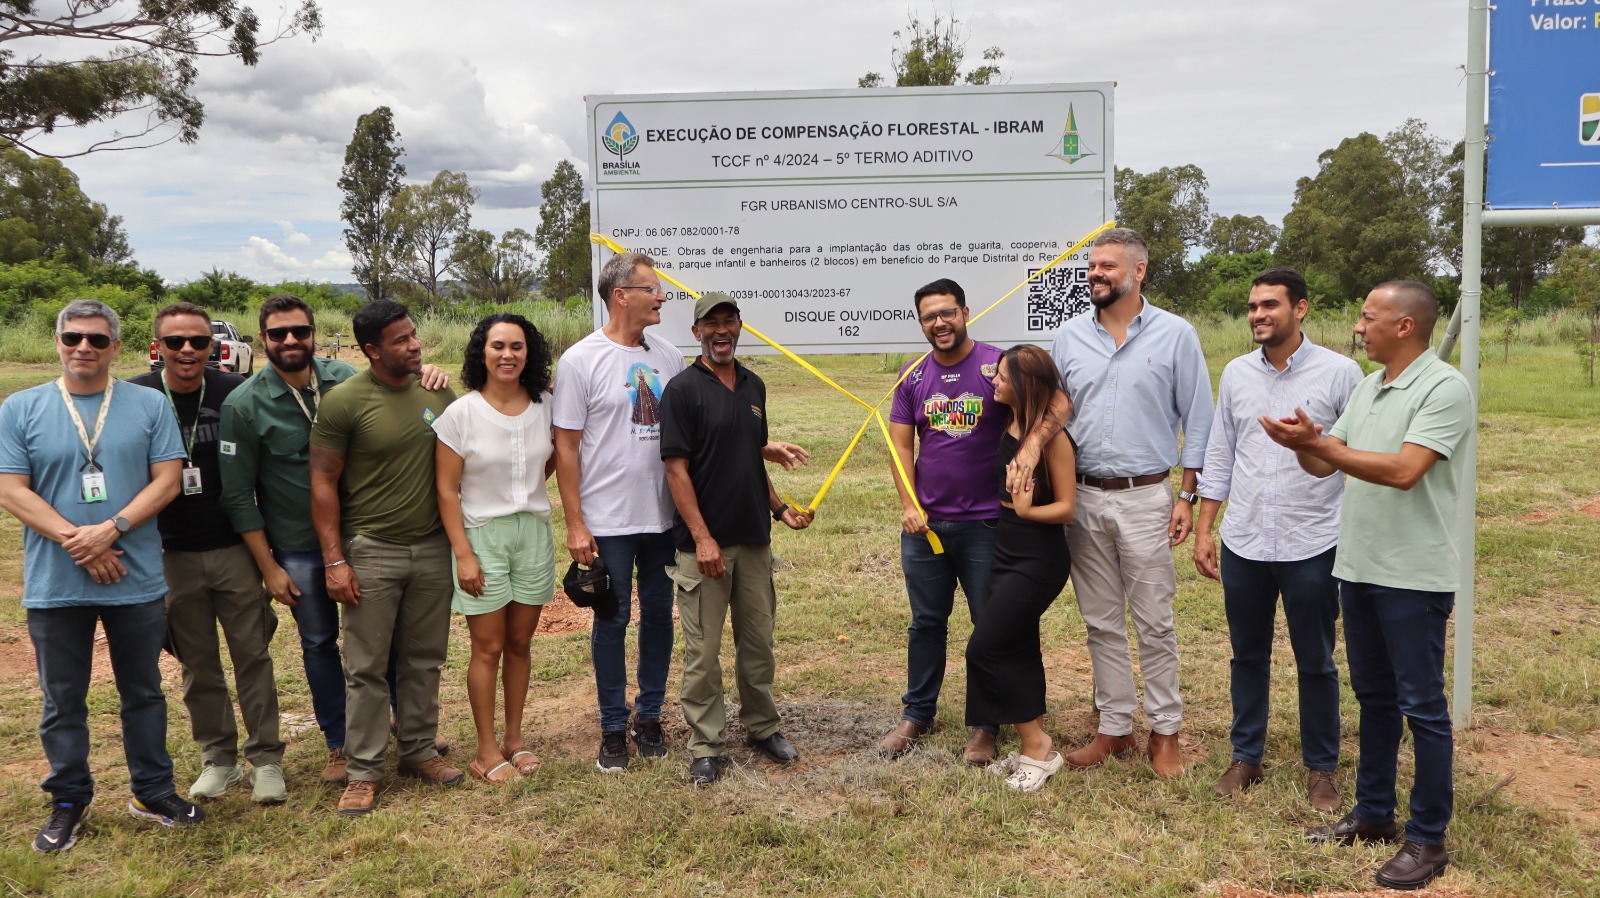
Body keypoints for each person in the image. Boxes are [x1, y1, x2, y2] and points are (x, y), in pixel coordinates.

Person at [1262, 281, 1473, 891]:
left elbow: (1405, 471)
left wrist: (1322, 443)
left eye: (1368, 317)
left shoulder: (1443, 387)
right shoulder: (1370, 385)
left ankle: (1428, 838)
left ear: (1404, 326)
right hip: (1358, 566)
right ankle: (1375, 814)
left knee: (1423, 707)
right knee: (1375, 699)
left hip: (1412, 574)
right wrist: (1305, 443)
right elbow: (1329, 463)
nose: (1359, 326)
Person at [220, 294, 450, 786]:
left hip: (366, 533)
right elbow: (239, 496)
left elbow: (393, 389)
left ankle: (402, 728)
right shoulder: (245, 403)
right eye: (278, 334)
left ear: (313, 334)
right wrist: (269, 567)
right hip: (302, 544)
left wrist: (425, 371)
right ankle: (340, 744)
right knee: (323, 641)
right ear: (262, 340)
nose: (290, 341)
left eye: (299, 331)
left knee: (381, 642)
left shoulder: (341, 380)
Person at [0, 300, 204, 852]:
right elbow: (12, 489)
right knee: (62, 697)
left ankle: (152, 791)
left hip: (133, 575)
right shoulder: (22, 407)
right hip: (55, 580)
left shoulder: (148, 404)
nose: (82, 347)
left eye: (95, 339)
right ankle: (68, 799)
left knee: (142, 690)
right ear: (58, 342)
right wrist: (81, 541)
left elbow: (167, 480)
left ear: (116, 346)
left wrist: (110, 529)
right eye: (72, 338)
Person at [1193, 269, 1362, 811]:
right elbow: (1221, 452)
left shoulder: (1341, 374)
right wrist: (1205, 527)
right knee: (1247, 655)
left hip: (1312, 538)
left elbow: (1356, 455)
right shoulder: (1238, 373)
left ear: (1301, 309)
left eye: (1269, 305)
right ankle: (1246, 757)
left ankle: (1322, 769)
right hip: (1244, 538)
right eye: (1252, 307)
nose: (1258, 315)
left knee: (1316, 659)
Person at [1048, 227, 1212, 778]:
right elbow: (1056, 415)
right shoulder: (1069, 337)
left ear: (1138, 271)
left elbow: (1200, 419)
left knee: (1155, 623)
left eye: (1108, 267)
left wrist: (1187, 495)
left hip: (1147, 497)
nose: (1096, 274)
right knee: (1100, 621)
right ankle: (1115, 728)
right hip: (1083, 498)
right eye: (1092, 266)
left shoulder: (1175, 335)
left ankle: (1165, 731)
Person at [882, 278, 1064, 764]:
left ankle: (985, 725)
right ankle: (917, 713)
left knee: (990, 626)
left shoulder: (996, 365)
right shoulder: (913, 375)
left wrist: (1032, 445)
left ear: (965, 312)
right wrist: (909, 503)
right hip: (927, 527)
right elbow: (901, 446)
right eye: (928, 317)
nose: (939, 323)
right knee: (926, 622)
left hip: (988, 524)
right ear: (920, 323)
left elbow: (1057, 403)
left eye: (947, 312)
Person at [130, 303, 286, 804]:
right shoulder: (136, 397)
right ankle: (218, 759)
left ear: (214, 347)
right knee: (197, 663)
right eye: (175, 342)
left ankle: (265, 759)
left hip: (233, 547)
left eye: (199, 342)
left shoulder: (234, 393)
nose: (188, 351)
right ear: (158, 347)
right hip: (169, 551)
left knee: (252, 655)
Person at [310, 299, 458, 816]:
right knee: (367, 668)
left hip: (434, 548)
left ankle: (418, 751)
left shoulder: (437, 392)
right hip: (371, 549)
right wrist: (335, 560)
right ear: (371, 350)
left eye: (414, 335)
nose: (414, 345)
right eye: (400, 340)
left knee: (424, 659)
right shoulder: (344, 402)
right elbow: (323, 481)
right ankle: (364, 770)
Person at [660, 293, 813, 787]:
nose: (721, 331)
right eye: (712, 324)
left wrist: (780, 507)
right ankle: (705, 745)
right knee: (703, 654)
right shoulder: (682, 390)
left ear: (740, 328)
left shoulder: (754, 385)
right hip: (703, 547)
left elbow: (750, 456)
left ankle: (762, 728)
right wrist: (702, 537)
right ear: (697, 331)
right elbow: (676, 471)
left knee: (758, 644)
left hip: (754, 542)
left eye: (729, 322)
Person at [553, 252, 687, 773]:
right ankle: (612, 726)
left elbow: (687, 434)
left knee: (658, 614)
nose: (662, 298)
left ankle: (648, 715)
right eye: (653, 289)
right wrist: (575, 523)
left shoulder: (669, 357)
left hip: (662, 518)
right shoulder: (580, 360)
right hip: (607, 521)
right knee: (612, 620)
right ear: (620, 295)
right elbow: (566, 447)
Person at [434, 313, 557, 784]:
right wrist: (464, 553)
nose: (508, 355)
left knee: (520, 643)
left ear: (530, 353)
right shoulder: (461, 414)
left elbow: (546, 465)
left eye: (518, 346)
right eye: (498, 346)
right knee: (487, 646)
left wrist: (523, 496)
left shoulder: (546, 406)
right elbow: (447, 490)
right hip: (481, 537)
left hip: (533, 535)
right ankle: (485, 750)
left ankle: (514, 738)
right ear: (481, 353)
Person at [966, 344, 1077, 792]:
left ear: (1024, 386)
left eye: (1003, 378)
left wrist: (1029, 512)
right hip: (1005, 553)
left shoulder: (1055, 442)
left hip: (1039, 559)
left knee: (985, 649)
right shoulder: (1013, 425)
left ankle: (1039, 747)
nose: (994, 382)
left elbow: (1068, 508)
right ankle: (1033, 747)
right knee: (1018, 648)